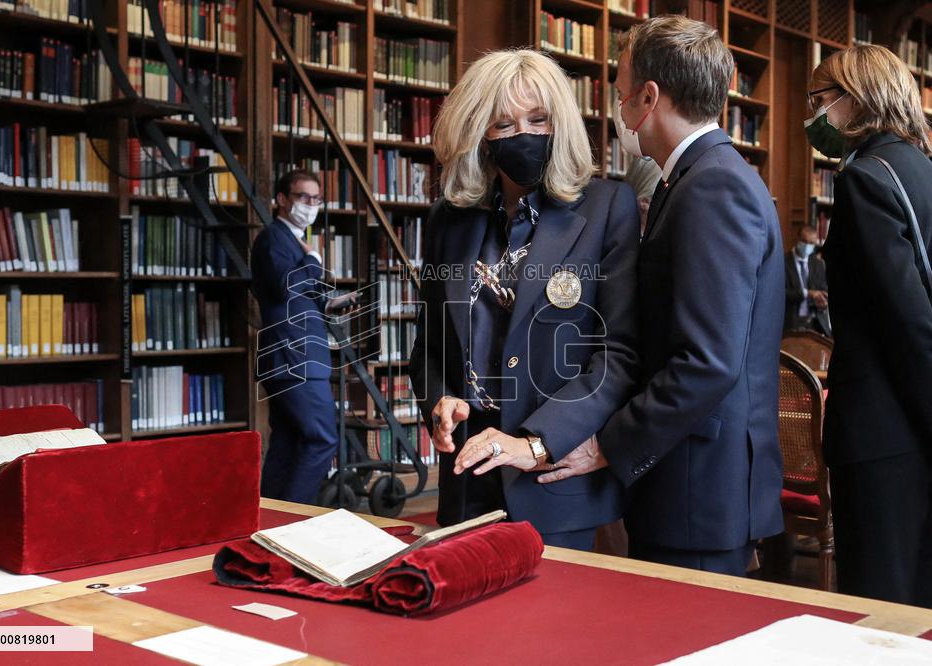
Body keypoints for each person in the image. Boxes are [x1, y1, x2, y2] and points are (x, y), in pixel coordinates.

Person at [539, 15, 785, 575]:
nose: (619, 106)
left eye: (621, 91)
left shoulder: (712, 185)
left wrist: (609, 443)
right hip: (692, 479)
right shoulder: (697, 176)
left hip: (697, 487)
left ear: (648, 97)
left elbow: (707, 361)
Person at [409, 48, 640, 550]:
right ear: (480, 133)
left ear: (561, 123)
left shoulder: (607, 208)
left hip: (553, 478)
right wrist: (438, 401)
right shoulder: (449, 219)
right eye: (503, 124)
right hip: (467, 476)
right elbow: (428, 345)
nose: (525, 135)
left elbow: (618, 354)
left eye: (538, 120)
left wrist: (536, 442)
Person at [807, 45, 932, 606]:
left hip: (884, 430)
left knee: (879, 607)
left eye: (819, 99)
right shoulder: (922, 170)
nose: (814, 115)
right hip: (913, 424)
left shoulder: (865, 179)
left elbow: (905, 321)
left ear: (857, 99)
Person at [251, 169, 355, 504]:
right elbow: (286, 286)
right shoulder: (274, 238)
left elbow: (298, 294)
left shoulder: (294, 240)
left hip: (295, 357)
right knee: (322, 439)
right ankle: (296, 517)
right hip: (294, 358)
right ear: (282, 199)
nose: (311, 204)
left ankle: (270, 516)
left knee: (289, 440)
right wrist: (313, 259)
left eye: (317, 198)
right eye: (303, 197)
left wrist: (330, 302)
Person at [784, 224, 831, 335]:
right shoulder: (783, 262)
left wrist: (823, 302)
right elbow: (781, 293)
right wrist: (807, 294)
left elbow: (823, 289)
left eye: (811, 243)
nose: (807, 246)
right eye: (804, 242)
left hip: (815, 323)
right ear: (798, 239)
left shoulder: (818, 264)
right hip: (791, 322)